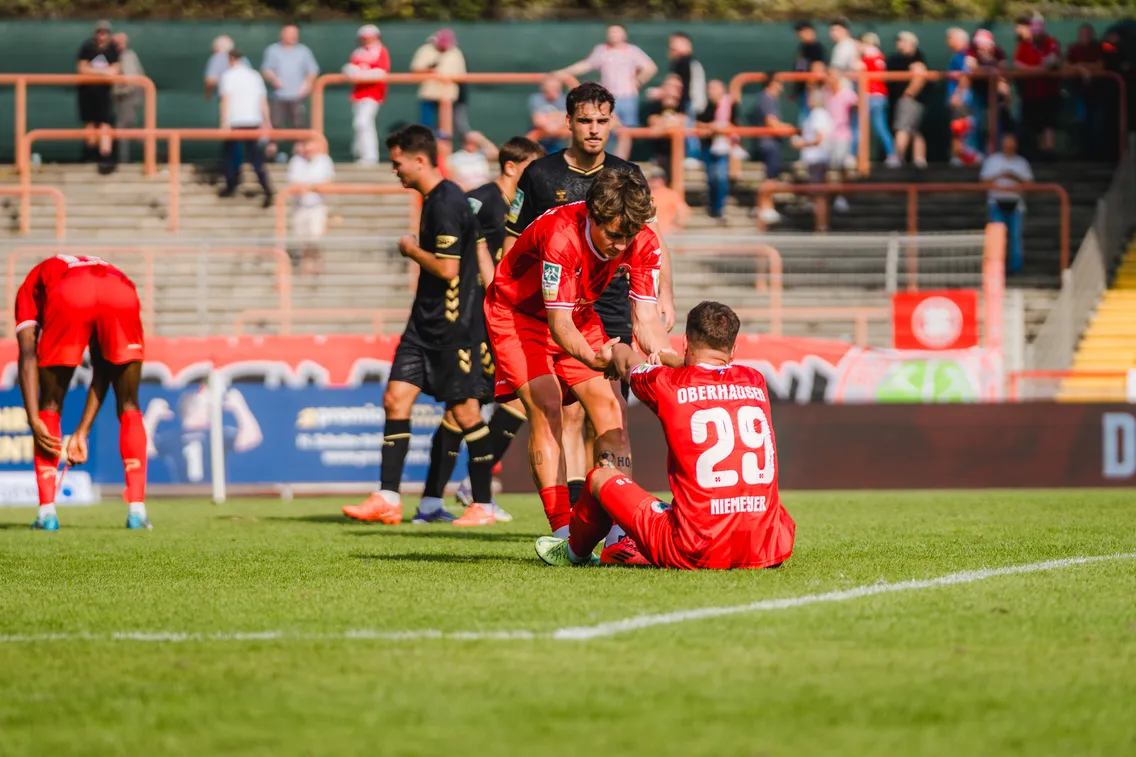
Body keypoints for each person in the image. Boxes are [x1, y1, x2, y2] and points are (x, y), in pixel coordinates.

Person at [502, 81, 677, 563]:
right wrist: (603, 355)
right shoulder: (551, 207)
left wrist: (678, 361)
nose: (625, 246)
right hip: (521, 311)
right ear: (569, 121)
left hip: (585, 304)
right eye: (585, 119)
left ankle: (621, 530)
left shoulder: (636, 222)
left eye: (603, 120)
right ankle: (566, 533)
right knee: (550, 407)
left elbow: (647, 322)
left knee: (607, 409)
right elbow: (557, 326)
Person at [535, 301, 795, 570]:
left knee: (601, 476)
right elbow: (707, 371)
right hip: (768, 546)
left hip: (697, 549)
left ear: (685, 343)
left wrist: (619, 349)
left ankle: (573, 553)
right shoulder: (755, 380)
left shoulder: (667, 383)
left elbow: (626, 363)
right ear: (734, 349)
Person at [342, 125, 495, 526]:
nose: (395, 171)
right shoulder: (438, 200)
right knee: (395, 399)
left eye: (397, 163)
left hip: (451, 330)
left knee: (465, 415)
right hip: (421, 327)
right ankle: (388, 497)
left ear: (419, 160)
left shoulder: (445, 201)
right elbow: (478, 249)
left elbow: (446, 268)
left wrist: (411, 249)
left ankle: (482, 505)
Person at [420, 137, 547, 526]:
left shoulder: (524, 207)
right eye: (532, 168)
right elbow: (453, 244)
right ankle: (451, 498)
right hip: (477, 318)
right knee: (467, 409)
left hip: (503, 317)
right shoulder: (482, 200)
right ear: (511, 167)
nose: (539, 177)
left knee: (489, 407)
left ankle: (437, 501)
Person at [14, 254, 150, 531]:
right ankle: (137, 511)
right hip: (120, 288)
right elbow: (103, 368)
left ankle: (47, 513)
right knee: (129, 403)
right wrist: (82, 432)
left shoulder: (31, 285)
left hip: (69, 292)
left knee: (50, 404)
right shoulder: (99, 267)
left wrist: (32, 418)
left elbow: (28, 354)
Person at [556, 25, 658, 160]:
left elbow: (650, 67)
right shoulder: (602, 50)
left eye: (617, 32)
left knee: (625, 132)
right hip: (607, 99)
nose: (613, 35)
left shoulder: (632, 51)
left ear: (624, 35)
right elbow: (587, 64)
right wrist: (564, 72)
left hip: (627, 98)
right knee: (604, 128)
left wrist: (638, 81)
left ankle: (620, 163)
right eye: (611, 32)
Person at [218, 50, 274, 207]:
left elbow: (226, 99)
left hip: (235, 120)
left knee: (230, 154)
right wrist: (266, 120)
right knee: (255, 156)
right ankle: (267, 188)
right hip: (253, 120)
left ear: (231, 59)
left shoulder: (228, 76)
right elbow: (262, 100)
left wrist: (224, 121)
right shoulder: (254, 75)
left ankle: (231, 184)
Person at [261, 24, 320, 153]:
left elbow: (312, 71)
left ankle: (299, 152)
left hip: (297, 96)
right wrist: (274, 79)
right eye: (290, 33)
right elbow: (266, 70)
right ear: (282, 34)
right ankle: (272, 152)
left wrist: (307, 84)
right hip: (278, 96)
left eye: (295, 33)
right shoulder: (273, 50)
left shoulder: (303, 51)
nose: (293, 36)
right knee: (274, 123)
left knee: (299, 125)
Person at [980, 133, 1032, 275]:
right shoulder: (992, 161)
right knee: (996, 238)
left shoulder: (1022, 163)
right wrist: (1000, 175)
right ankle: (996, 268)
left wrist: (1012, 176)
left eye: (1011, 143)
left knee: (1016, 238)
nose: (1009, 146)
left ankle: (1016, 268)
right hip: (996, 203)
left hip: (1016, 204)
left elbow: (1029, 184)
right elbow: (984, 182)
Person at [1013, 16, 1063, 159]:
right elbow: (1018, 66)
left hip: (1049, 92)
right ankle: (1036, 154)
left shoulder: (1051, 42)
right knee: (1033, 125)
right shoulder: (1024, 45)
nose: (1036, 33)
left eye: (1039, 30)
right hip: (1030, 93)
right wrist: (1040, 69)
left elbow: (1052, 62)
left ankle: (1048, 153)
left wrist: (1035, 69)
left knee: (1048, 124)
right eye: (1034, 30)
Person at [342, 24, 390, 166]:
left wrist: (360, 74)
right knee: (358, 124)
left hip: (373, 94)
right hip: (358, 94)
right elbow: (351, 69)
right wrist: (351, 71)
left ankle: (370, 156)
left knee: (364, 122)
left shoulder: (381, 51)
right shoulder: (358, 52)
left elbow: (381, 72)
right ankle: (360, 154)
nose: (367, 40)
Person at [76, 20, 120, 174]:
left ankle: (105, 156)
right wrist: (103, 73)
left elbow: (114, 72)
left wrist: (93, 71)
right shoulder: (87, 47)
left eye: (105, 32)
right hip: (87, 92)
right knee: (89, 124)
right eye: (99, 32)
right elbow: (81, 69)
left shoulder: (112, 49)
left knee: (105, 123)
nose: (102, 35)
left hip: (105, 93)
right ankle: (90, 154)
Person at [287, 137, 335, 275]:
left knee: (316, 238)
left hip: (317, 206)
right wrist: (311, 187)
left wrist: (309, 187)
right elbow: (294, 184)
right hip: (300, 206)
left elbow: (327, 183)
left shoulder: (324, 161)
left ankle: (317, 266)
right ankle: (306, 268)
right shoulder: (296, 161)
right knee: (302, 240)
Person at [695, 79, 740, 221]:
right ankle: (713, 206)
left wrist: (717, 127)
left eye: (714, 88)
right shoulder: (705, 107)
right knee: (711, 177)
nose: (711, 92)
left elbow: (734, 125)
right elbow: (698, 124)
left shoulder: (732, 105)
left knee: (720, 177)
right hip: (709, 146)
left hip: (725, 146)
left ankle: (719, 208)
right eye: (709, 89)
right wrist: (711, 127)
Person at [749, 75, 789, 224]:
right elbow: (772, 123)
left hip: (770, 143)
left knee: (771, 177)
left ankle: (766, 207)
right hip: (769, 143)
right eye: (780, 84)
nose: (782, 88)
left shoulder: (768, 99)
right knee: (770, 178)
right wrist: (788, 129)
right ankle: (763, 207)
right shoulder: (767, 99)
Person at [409, 29, 466, 133]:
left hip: (448, 96)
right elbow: (415, 70)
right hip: (428, 94)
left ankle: (445, 148)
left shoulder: (456, 53)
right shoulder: (425, 50)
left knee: (449, 128)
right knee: (425, 126)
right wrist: (429, 70)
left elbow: (461, 75)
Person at [887, 31, 929, 168]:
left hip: (910, 101)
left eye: (903, 41)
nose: (899, 44)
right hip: (907, 100)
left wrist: (909, 93)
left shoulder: (916, 56)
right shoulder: (898, 58)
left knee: (903, 128)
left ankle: (898, 158)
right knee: (914, 129)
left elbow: (920, 75)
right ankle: (919, 159)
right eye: (899, 41)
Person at [795, 87, 835, 230]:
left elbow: (819, 138)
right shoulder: (816, 114)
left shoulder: (818, 114)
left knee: (818, 192)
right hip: (815, 158)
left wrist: (801, 143)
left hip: (817, 158)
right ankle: (820, 224)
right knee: (817, 192)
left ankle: (821, 224)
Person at [967, 30, 1008, 159]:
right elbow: (971, 68)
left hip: (994, 93)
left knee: (996, 123)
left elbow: (1003, 70)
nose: (982, 47)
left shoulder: (998, 51)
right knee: (977, 122)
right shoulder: (971, 51)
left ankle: (999, 152)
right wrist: (989, 69)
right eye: (979, 43)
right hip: (978, 92)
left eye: (985, 43)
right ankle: (978, 152)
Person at [1067, 23, 1106, 159]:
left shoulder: (1098, 48)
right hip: (1079, 93)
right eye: (1082, 33)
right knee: (1081, 121)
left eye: (1087, 33)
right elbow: (1067, 65)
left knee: (1096, 123)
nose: (1084, 36)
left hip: (1097, 93)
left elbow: (1100, 65)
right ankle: (1082, 152)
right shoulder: (1074, 48)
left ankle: (1095, 154)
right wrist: (1081, 70)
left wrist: (1083, 66)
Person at [861, 32, 899, 168]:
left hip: (870, 95)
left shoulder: (868, 56)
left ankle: (858, 159)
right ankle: (892, 155)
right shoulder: (879, 56)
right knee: (880, 127)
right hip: (880, 95)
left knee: (860, 128)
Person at [945, 28, 979, 166]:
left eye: (950, 38)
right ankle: (959, 157)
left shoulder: (966, 54)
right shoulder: (957, 55)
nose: (948, 41)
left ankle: (964, 157)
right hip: (960, 100)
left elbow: (967, 75)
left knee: (963, 128)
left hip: (963, 100)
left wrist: (958, 94)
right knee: (958, 128)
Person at [643, 74, 686, 179]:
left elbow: (681, 123)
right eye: (671, 86)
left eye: (677, 87)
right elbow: (652, 122)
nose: (674, 90)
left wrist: (663, 125)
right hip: (657, 154)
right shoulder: (654, 105)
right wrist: (671, 124)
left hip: (677, 154)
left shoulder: (684, 105)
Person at [111, 32, 145, 165]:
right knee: (128, 128)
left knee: (123, 128)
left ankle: (123, 162)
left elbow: (130, 81)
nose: (117, 45)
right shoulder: (111, 56)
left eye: (119, 43)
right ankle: (156, 154)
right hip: (121, 97)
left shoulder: (128, 56)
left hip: (129, 96)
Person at [792, 22, 828, 123]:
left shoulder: (816, 48)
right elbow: (800, 68)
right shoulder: (802, 48)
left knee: (808, 119)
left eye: (802, 31)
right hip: (803, 91)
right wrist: (796, 91)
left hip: (811, 90)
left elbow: (818, 67)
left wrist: (811, 88)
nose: (800, 35)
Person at [530, 75, 569, 151]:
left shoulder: (564, 100)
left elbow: (566, 119)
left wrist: (552, 122)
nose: (555, 91)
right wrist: (555, 121)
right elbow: (538, 121)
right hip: (539, 139)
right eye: (553, 88)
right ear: (545, 88)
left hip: (557, 141)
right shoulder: (536, 99)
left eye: (557, 89)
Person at [647, 167, 690, 235]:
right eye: (652, 178)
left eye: (657, 178)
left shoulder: (671, 194)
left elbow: (684, 211)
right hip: (648, 234)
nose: (654, 181)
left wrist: (677, 227)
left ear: (663, 180)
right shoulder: (644, 195)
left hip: (665, 233)